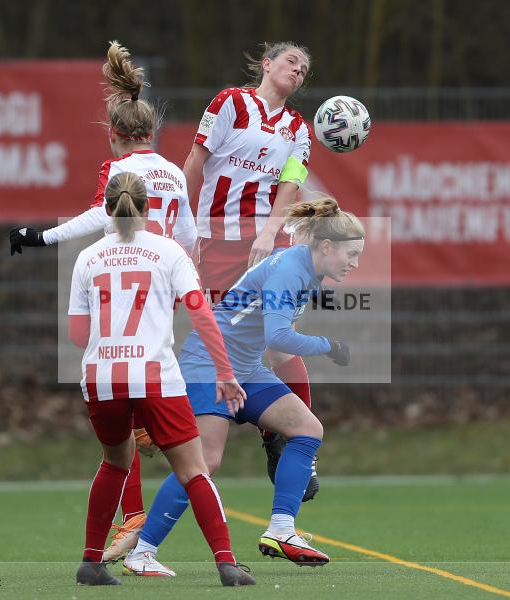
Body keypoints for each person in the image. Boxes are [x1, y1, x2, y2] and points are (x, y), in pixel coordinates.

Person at [9, 41, 197, 562]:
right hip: (162, 294)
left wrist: (37, 237)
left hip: (121, 292)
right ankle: (143, 513)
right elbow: (189, 236)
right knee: (144, 406)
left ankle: (133, 516)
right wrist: (183, 284)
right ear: (152, 133)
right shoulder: (176, 173)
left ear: (113, 135)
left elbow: (97, 219)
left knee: (117, 400)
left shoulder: (118, 174)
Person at [123, 198, 363, 577]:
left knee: (307, 429)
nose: (355, 262)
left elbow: (271, 335)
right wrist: (329, 347)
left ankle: (282, 531)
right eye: (351, 253)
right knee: (204, 462)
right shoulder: (291, 269)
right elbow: (280, 335)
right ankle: (142, 552)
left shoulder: (308, 269)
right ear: (326, 246)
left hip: (245, 367)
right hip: (210, 362)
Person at [69, 170, 254, 587]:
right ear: (150, 209)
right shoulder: (169, 252)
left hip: (102, 377)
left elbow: (78, 334)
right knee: (193, 469)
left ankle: (90, 561)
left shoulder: (88, 257)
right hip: (156, 377)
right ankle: (226, 563)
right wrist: (224, 372)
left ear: (106, 208)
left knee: (114, 462)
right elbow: (200, 312)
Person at [181, 42, 320, 500]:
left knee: (279, 338)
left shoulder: (299, 128)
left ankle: (283, 441)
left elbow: (290, 185)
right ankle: (182, 430)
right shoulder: (229, 103)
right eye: (290, 62)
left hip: (269, 241)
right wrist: (179, 224)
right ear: (267, 64)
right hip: (219, 239)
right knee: (219, 339)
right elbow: (196, 162)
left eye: (303, 69)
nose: (297, 71)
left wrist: (269, 234)